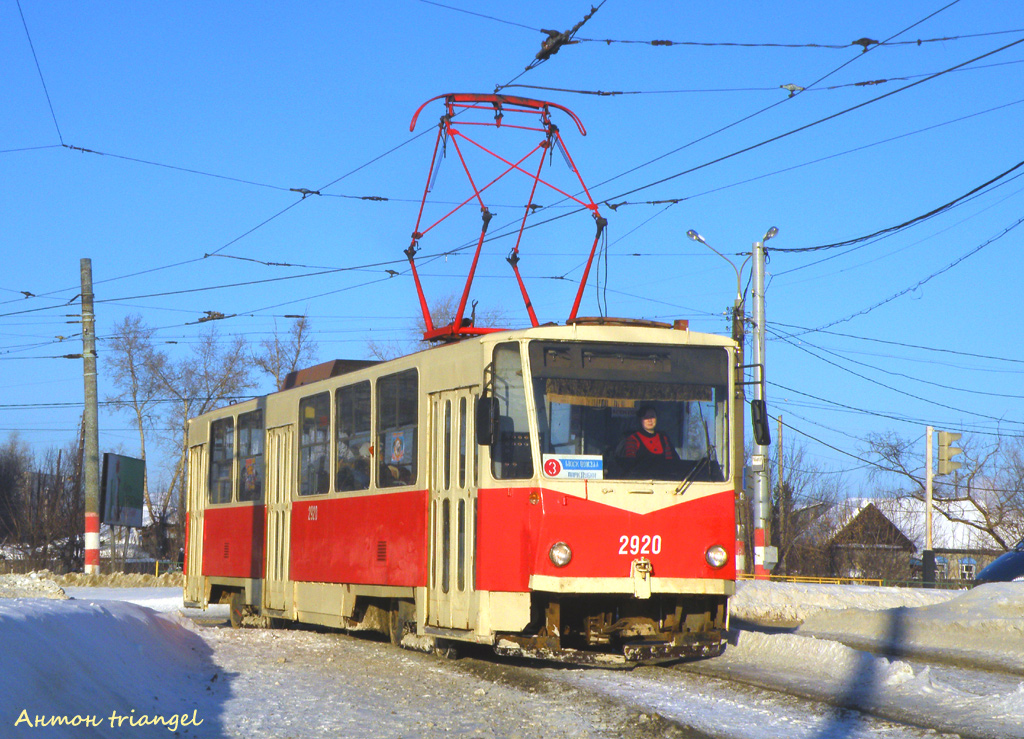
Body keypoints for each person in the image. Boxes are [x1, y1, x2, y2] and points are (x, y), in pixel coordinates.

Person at [617, 405, 679, 476]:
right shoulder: (633, 439)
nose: (650, 420)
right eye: (646, 417)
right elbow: (630, 465)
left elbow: (671, 463)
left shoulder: (664, 438)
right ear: (640, 420)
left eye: (652, 416)